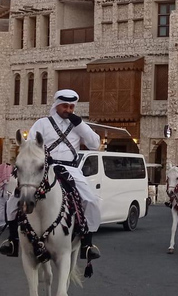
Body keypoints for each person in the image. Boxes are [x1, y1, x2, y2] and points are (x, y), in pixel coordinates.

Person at [0, 90, 102, 259]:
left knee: (90, 200)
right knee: (15, 198)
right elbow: (30, 147)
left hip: (71, 170)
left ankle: (87, 243)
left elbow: (94, 144)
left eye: (71, 107)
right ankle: (12, 240)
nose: (68, 110)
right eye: (65, 106)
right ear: (56, 105)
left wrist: (80, 125)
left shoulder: (78, 126)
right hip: (45, 168)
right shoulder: (42, 124)